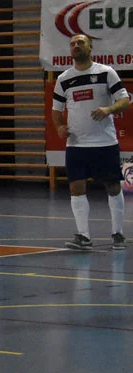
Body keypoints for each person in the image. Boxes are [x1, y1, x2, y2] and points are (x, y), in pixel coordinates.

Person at [51, 33, 131, 251]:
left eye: (80, 43)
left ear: (90, 46)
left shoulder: (106, 73)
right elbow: (56, 110)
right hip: (76, 145)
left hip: (104, 143)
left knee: (113, 186)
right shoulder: (63, 79)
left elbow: (125, 99)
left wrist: (109, 109)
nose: (76, 46)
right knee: (76, 187)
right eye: (73, 44)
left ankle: (118, 234)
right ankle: (83, 236)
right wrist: (59, 127)